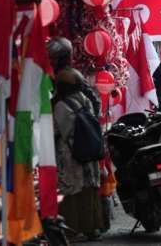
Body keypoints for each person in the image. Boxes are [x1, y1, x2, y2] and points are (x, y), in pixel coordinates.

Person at [52, 68, 106, 240]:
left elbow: (54, 131)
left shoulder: (60, 106)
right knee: (90, 190)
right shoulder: (86, 101)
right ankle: (93, 228)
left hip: (70, 156)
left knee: (71, 191)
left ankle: (71, 230)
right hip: (89, 153)